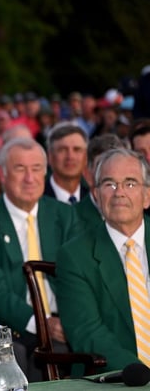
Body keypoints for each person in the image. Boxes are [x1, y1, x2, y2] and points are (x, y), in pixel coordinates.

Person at [0, 137, 80, 381]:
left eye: (36, 169)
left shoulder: (65, 216)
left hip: (64, 323)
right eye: (20, 169)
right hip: (12, 328)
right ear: (2, 173)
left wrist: (69, 321)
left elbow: (80, 280)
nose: (30, 178)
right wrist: (42, 324)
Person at [57, 149, 150, 371]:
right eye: (109, 184)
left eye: (130, 183)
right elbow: (88, 333)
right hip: (118, 377)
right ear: (96, 195)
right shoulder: (74, 256)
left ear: (147, 196)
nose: (119, 192)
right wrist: (143, 376)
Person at [44, 122, 89, 204]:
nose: (70, 157)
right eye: (62, 150)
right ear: (50, 157)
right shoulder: (37, 199)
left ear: (86, 157)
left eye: (77, 149)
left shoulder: (95, 199)